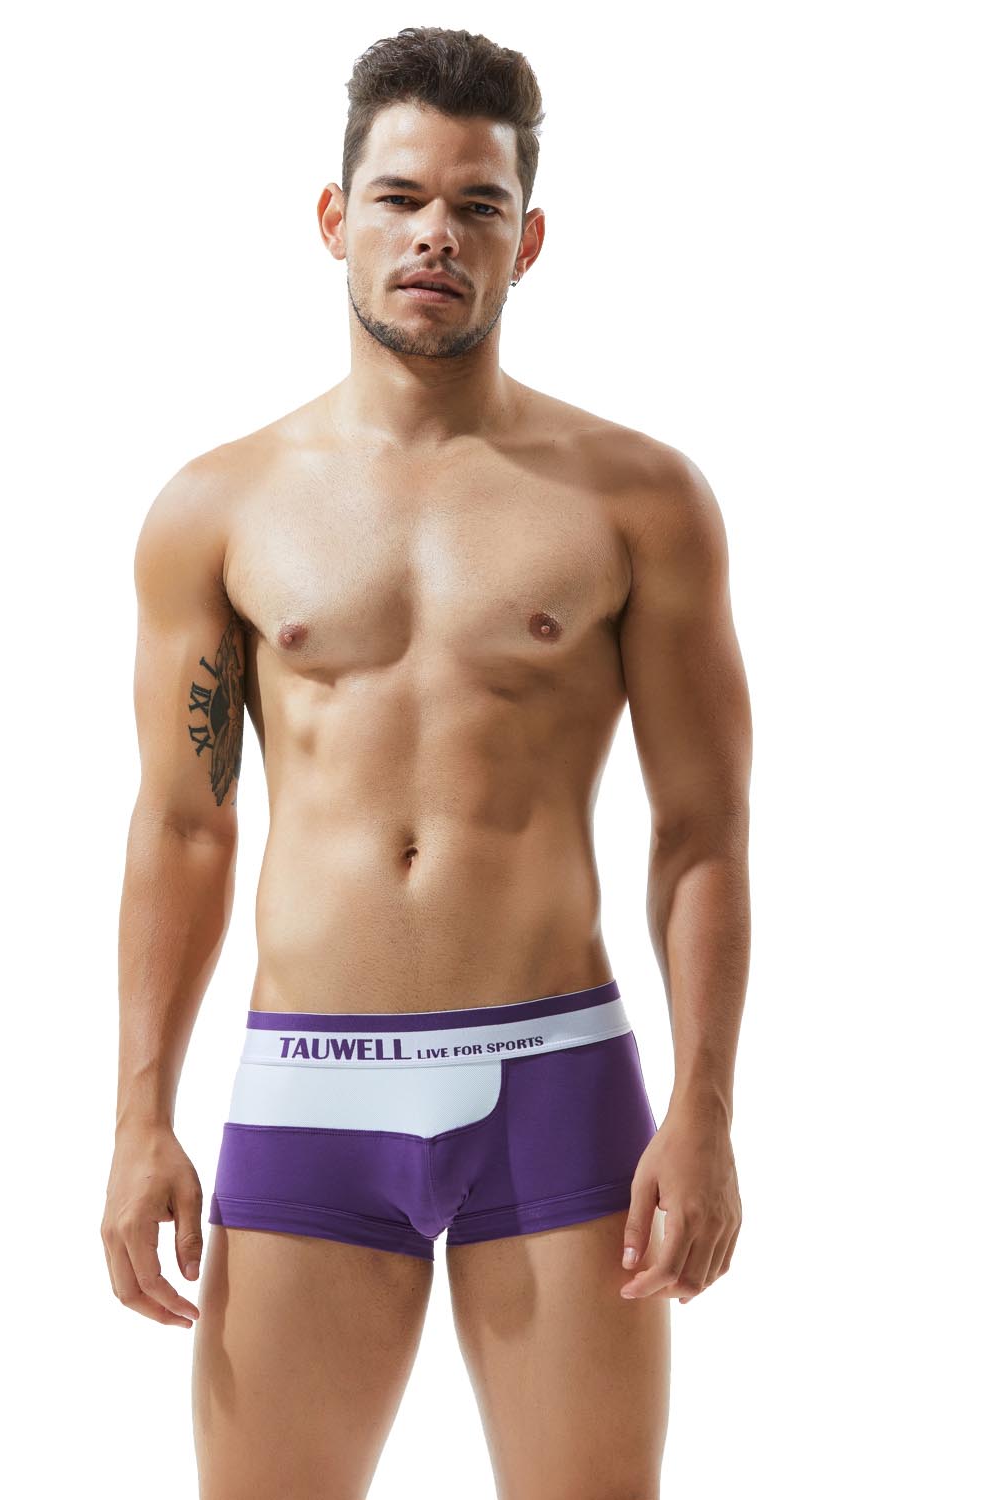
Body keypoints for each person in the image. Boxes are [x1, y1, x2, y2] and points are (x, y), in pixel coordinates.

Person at [100, 24, 751, 1499]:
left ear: (529, 239)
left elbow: (703, 827)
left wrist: (705, 1110)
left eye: (476, 204)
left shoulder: (638, 500)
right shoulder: (218, 508)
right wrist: (139, 1116)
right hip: (312, 1085)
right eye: (400, 198)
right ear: (336, 218)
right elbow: (184, 826)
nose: (435, 235)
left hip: (556, 1080)